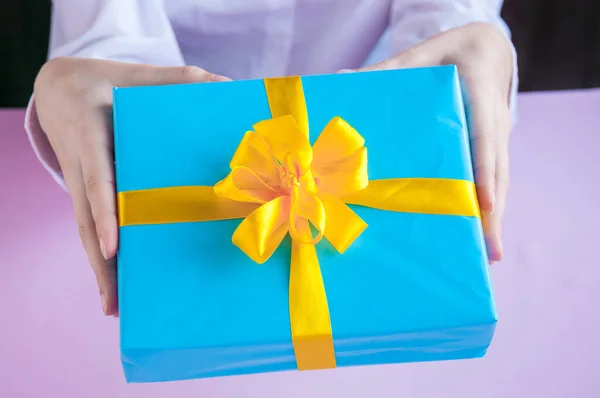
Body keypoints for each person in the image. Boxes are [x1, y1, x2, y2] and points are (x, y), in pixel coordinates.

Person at [27, 0, 517, 317]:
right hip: (177, 171)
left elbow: (446, 18)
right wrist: (81, 84)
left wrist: (469, 33)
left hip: (373, 141)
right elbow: (111, 39)